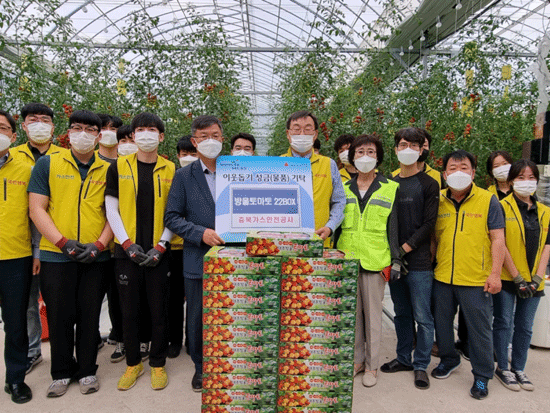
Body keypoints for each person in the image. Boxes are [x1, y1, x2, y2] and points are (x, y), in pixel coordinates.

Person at [28, 110, 113, 397]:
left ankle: (88, 370)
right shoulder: (47, 164)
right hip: (56, 255)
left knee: (90, 315)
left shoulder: (108, 168)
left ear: (99, 136)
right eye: (76, 128)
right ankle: (61, 372)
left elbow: (114, 213)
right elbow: (37, 208)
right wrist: (62, 242)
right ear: (67, 133)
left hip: (95, 256)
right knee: (59, 314)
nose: (83, 134)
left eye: (90, 129)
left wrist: (100, 244)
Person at [105, 112, 175, 391]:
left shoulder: (171, 169)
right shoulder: (118, 167)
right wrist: (125, 243)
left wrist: (161, 245)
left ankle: (157, 364)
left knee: (159, 311)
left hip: (159, 252)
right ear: (133, 136)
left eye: (152, 129)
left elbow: (174, 212)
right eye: (141, 129)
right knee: (129, 311)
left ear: (161, 137)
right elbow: (111, 207)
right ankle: (133, 364)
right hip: (127, 253)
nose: (146, 134)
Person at [431, 150, 505, 400]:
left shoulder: (488, 200)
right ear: (444, 174)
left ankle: (483, 376)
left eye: (464, 168)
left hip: (476, 279)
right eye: (452, 168)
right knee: (441, 325)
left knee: (479, 331)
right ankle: (449, 360)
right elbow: (433, 237)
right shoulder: (438, 199)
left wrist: (495, 274)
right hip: (443, 277)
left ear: (473, 173)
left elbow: (498, 239)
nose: (458, 173)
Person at [165, 115, 226, 392]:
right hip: (198, 256)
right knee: (199, 315)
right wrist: (200, 233)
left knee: (231, 311)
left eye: (215, 135)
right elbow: (172, 217)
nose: (210, 141)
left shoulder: (237, 171)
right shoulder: (183, 176)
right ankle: (201, 367)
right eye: (203, 137)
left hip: (235, 255)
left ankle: (229, 361)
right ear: (194, 141)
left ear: (223, 138)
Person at [335, 134, 401, 388]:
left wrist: (395, 259)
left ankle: (372, 366)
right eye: (360, 151)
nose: (365, 156)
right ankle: (357, 361)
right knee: (353, 316)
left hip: (376, 260)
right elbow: (338, 223)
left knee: (373, 317)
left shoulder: (390, 187)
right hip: (347, 258)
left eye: (371, 152)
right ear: (352, 157)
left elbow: (393, 228)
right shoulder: (344, 187)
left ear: (378, 157)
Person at [381, 128, 438, 390]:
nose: (408, 149)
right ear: (395, 149)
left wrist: (405, 247)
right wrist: (393, 252)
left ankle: (420, 365)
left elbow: (429, 223)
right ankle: (403, 358)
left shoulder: (428, 183)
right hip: (394, 259)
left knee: (423, 316)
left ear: (421, 150)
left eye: (414, 145)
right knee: (402, 312)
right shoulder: (388, 183)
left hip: (418, 262)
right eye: (403, 144)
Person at [12, 103, 64, 376]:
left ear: (54, 127)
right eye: (34, 120)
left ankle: (66, 347)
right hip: (20, 242)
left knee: (62, 299)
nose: (40, 124)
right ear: (23, 126)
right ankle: (33, 351)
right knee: (28, 302)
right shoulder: (11, 157)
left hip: (57, 241)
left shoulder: (65, 157)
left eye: (46, 120)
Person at [493, 159, 549, 392]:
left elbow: (547, 245)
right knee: (504, 322)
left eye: (531, 178)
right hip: (509, 278)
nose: (526, 182)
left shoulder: (545, 211)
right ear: (512, 180)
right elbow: (500, 242)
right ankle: (502, 368)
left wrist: (538, 277)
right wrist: (516, 276)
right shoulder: (501, 206)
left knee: (525, 326)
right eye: (521, 178)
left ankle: (519, 367)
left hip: (535, 280)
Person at [0, 110, 34, 404]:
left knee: (15, 322)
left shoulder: (25, 168)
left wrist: (36, 252)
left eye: (2, 128)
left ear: (13, 135)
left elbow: (35, 215)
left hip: (15, 255)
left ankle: (15, 379)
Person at [282, 110, 345, 247]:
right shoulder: (277, 164)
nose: (302, 134)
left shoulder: (329, 165)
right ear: (288, 134)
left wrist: (330, 227)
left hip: (319, 243)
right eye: (297, 129)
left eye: (308, 129)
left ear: (315, 134)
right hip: (284, 244)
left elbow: (339, 201)